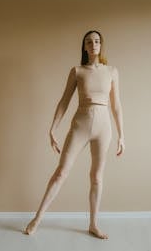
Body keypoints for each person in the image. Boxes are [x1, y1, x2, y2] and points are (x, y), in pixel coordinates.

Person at [23, 30, 125, 239]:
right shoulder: (77, 71)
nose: (93, 44)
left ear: (101, 45)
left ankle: (93, 224)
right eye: (89, 41)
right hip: (80, 124)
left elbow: (116, 106)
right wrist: (53, 128)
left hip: (103, 128)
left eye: (97, 41)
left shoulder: (112, 71)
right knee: (61, 172)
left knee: (96, 177)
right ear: (85, 47)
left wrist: (122, 135)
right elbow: (64, 101)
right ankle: (37, 219)